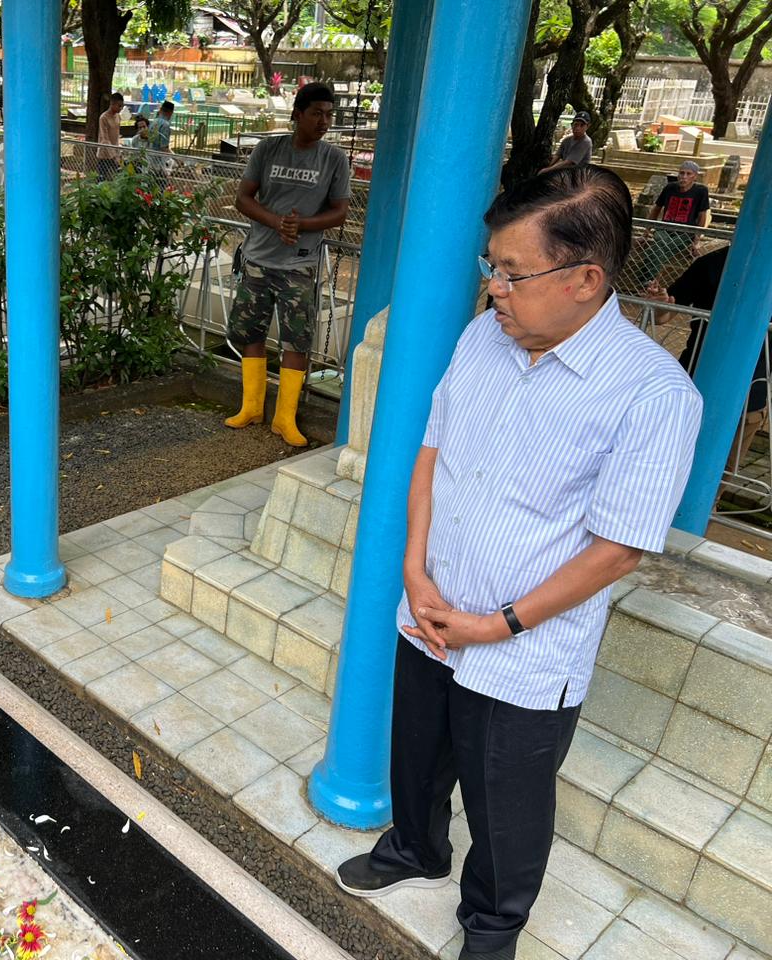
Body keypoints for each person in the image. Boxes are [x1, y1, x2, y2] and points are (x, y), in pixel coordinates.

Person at [334, 165, 702, 960]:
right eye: (490, 268)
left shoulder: (653, 395)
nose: (495, 287)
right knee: (418, 753)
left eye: (512, 272)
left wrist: (495, 624)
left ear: (584, 279)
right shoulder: (482, 338)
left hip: (525, 650)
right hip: (433, 610)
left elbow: (617, 549)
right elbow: (431, 455)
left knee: (507, 800)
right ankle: (416, 848)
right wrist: (415, 572)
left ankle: (492, 927)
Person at [224, 81, 350, 446]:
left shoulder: (334, 159)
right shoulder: (269, 148)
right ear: (297, 115)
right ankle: (251, 408)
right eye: (316, 114)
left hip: (300, 263)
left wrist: (301, 226)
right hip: (259, 258)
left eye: (329, 114)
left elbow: (340, 212)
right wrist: (276, 222)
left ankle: (284, 418)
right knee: (251, 333)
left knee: (297, 339)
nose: (324, 121)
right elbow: (243, 199)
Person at [646, 246, 769, 478]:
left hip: (751, 394)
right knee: (666, 463)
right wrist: (659, 303)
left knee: (723, 474)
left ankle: (709, 508)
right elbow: (664, 314)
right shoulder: (711, 264)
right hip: (694, 379)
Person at [642, 159, 711, 282]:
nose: (684, 177)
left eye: (688, 174)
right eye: (681, 173)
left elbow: (702, 216)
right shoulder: (670, 188)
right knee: (659, 242)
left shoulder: (700, 191)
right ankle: (649, 282)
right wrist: (646, 231)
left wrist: (696, 240)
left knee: (659, 247)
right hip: (664, 229)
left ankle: (648, 281)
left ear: (694, 176)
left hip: (685, 232)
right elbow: (656, 209)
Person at [97, 91, 124, 180]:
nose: (120, 108)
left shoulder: (118, 117)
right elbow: (105, 138)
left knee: (117, 178)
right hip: (104, 154)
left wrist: (118, 153)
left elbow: (117, 135)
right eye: (119, 106)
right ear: (112, 104)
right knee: (102, 178)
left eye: (122, 106)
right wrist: (113, 155)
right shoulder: (103, 118)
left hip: (115, 152)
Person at [148, 100, 174, 170]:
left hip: (149, 158)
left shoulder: (153, 122)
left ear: (160, 110)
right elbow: (164, 147)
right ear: (170, 113)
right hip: (158, 162)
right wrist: (176, 157)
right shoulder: (165, 125)